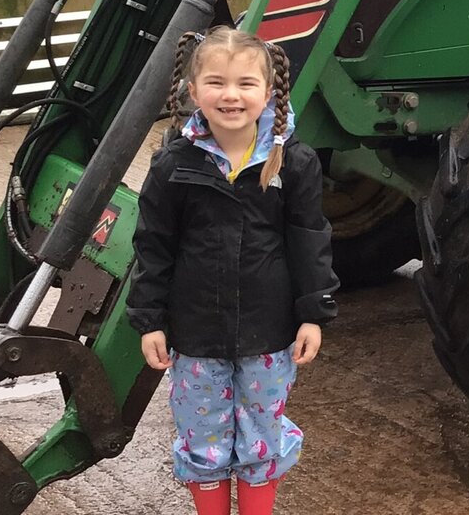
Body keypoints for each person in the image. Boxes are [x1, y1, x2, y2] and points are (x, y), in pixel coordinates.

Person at [127, 27, 339, 515]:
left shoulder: (294, 161)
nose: (231, 95)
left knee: (262, 432)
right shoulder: (173, 165)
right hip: (196, 332)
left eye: (246, 83)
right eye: (217, 82)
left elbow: (310, 240)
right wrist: (150, 320)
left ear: (268, 92)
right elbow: (153, 246)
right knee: (204, 435)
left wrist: (312, 312)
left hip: (269, 333)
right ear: (193, 89)